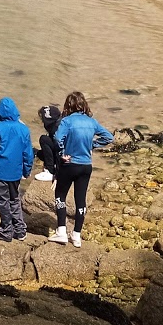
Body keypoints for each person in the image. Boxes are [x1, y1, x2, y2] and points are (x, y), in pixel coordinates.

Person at [51, 90, 113, 247]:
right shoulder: (92, 122)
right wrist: (93, 144)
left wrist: (62, 152)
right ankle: (77, 235)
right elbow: (109, 137)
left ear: (68, 106)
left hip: (70, 164)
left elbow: (57, 139)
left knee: (60, 195)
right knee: (81, 200)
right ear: (83, 104)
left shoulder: (67, 122)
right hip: (86, 165)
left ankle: (61, 232)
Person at [0, 98, 33, 242]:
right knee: (14, 200)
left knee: (1, 202)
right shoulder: (24, 129)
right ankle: (21, 231)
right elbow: (28, 153)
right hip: (15, 172)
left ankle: (6, 231)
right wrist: (27, 171)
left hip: (0, 171)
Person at [33, 104, 63, 182]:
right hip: (65, 155)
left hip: (63, 157)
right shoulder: (58, 124)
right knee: (36, 152)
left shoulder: (57, 130)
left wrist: (57, 174)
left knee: (43, 139)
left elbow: (59, 149)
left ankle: (50, 171)